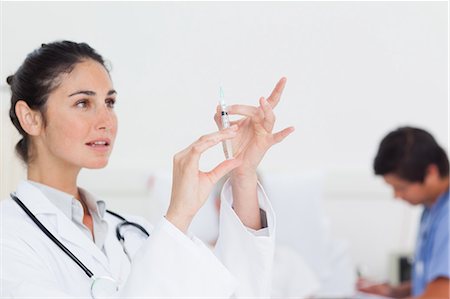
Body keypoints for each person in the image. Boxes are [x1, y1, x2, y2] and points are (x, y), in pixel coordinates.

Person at [0, 41, 294, 298]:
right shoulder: (9, 237)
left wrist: (242, 172)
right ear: (31, 118)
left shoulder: (133, 231)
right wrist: (178, 215)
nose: (106, 120)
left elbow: (236, 293)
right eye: (83, 103)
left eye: (110, 102)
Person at [358, 127, 449, 299]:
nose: (396, 196)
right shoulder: (431, 208)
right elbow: (436, 281)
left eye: (401, 188)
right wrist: (395, 292)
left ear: (431, 173)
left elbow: (442, 294)